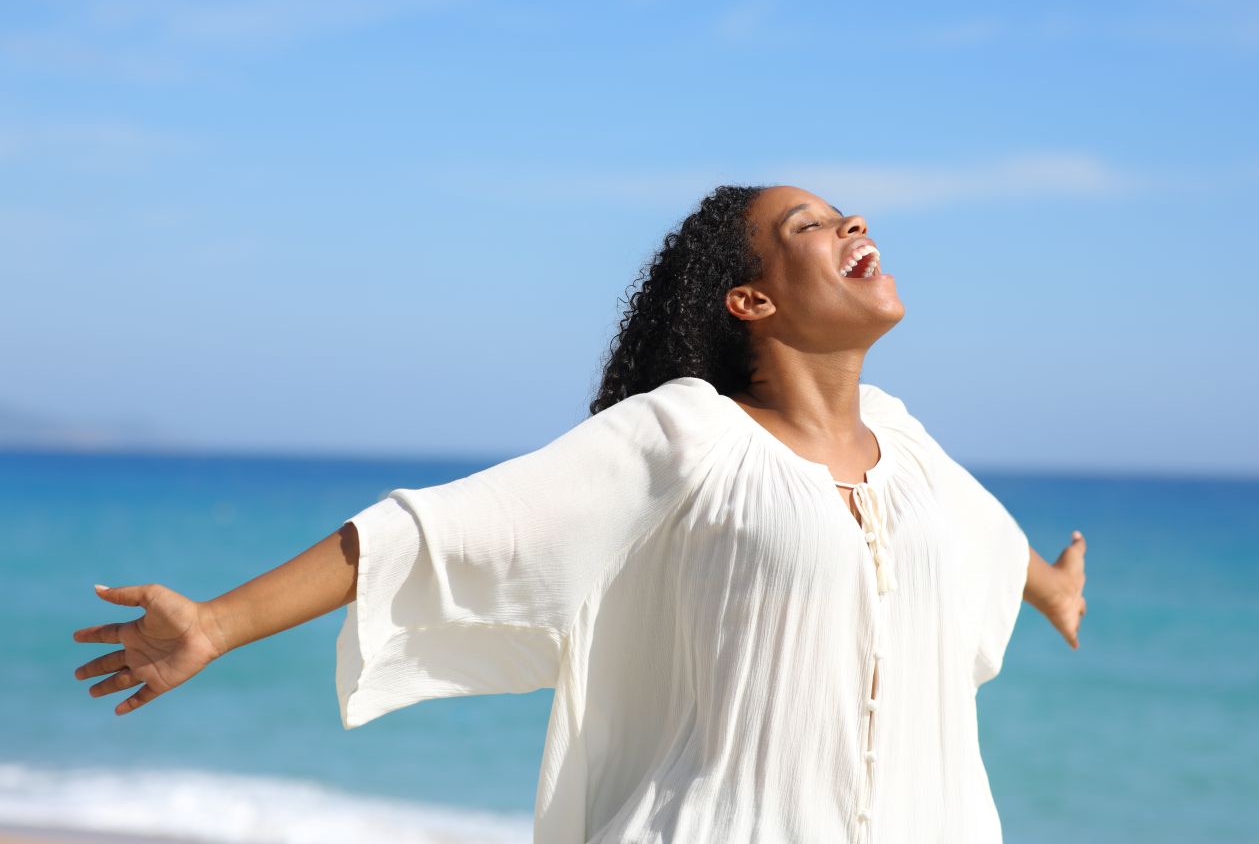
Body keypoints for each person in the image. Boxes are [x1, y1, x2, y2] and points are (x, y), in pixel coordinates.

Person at [73, 184, 1088, 843]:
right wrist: (216, 623)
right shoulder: (683, 437)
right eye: (809, 227)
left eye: (843, 215)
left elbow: (984, 544)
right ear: (751, 301)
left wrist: (1051, 585)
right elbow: (439, 532)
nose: (853, 223)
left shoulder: (909, 446)